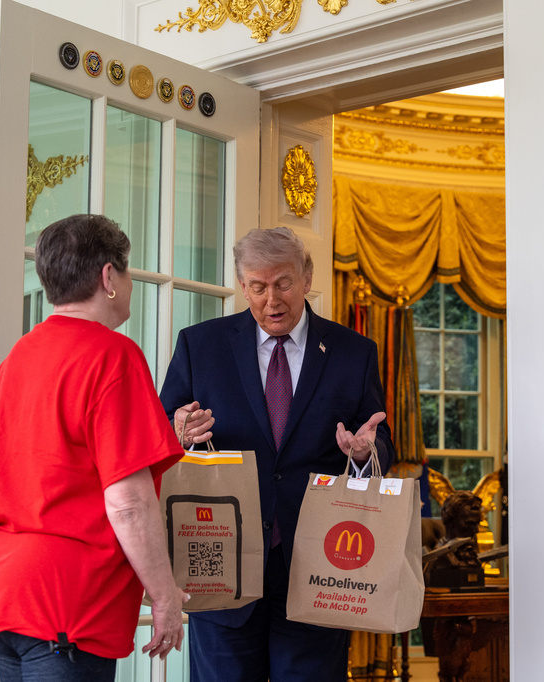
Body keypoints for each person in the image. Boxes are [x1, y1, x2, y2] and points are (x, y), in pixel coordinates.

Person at [160, 226, 395, 682]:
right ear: (242, 285)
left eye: (283, 283)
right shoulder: (199, 346)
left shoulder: (354, 352)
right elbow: (161, 436)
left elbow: (382, 440)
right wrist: (180, 432)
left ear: (306, 278)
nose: (272, 299)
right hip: (221, 563)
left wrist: (365, 454)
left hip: (320, 565)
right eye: (258, 286)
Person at [0, 214, 189, 681]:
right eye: (124, 271)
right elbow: (127, 500)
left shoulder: (17, 359)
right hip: (65, 603)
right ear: (109, 276)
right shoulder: (113, 355)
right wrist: (164, 594)